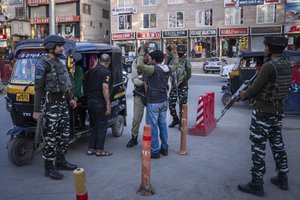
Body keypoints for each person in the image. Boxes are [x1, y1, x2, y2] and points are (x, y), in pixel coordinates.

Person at [238, 36, 292, 197]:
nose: (265, 49)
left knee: (258, 147)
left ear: (271, 48)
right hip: (278, 110)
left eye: (266, 47)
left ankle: (256, 184)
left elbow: (254, 88)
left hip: (263, 112)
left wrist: (244, 94)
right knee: (278, 144)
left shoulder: (269, 66)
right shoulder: (287, 64)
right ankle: (283, 178)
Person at [33, 35, 77, 180]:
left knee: (63, 135)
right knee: (50, 137)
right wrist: (37, 110)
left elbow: (65, 83)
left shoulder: (60, 62)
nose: (62, 48)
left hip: (63, 103)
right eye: (60, 46)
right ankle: (49, 167)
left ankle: (61, 161)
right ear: (51, 47)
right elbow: (38, 89)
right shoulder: (43, 64)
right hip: (50, 104)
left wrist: (70, 99)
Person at [137, 42, 179, 159]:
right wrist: (174, 52)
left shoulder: (152, 69)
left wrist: (142, 51)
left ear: (154, 59)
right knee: (163, 125)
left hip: (153, 101)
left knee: (153, 126)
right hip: (163, 100)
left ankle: (155, 150)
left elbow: (139, 66)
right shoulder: (167, 68)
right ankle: (164, 148)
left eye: (151, 58)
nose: (150, 60)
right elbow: (176, 64)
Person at [84, 54, 112, 157]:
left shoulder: (92, 70)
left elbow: (85, 76)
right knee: (101, 126)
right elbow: (105, 88)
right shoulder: (106, 72)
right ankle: (100, 150)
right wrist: (108, 104)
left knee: (94, 126)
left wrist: (93, 67)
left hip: (90, 101)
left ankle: (91, 149)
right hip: (100, 103)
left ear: (99, 61)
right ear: (108, 63)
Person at [126, 47, 149, 148]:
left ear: (147, 55)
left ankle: (152, 139)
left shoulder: (152, 61)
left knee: (151, 120)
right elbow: (134, 78)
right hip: (139, 93)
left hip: (152, 95)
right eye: (140, 55)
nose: (142, 58)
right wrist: (143, 83)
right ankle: (134, 137)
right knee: (136, 119)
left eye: (143, 55)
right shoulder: (135, 63)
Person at [168, 44, 192, 130]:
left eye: (182, 51)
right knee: (171, 104)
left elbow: (189, 74)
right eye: (179, 51)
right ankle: (175, 119)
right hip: (174, 86)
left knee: (182, 105)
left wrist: (182, 81)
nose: (180, 53)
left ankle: (182, 122)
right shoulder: (173, 60)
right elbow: (169, 70)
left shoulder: (186, 61)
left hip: (183, 86)